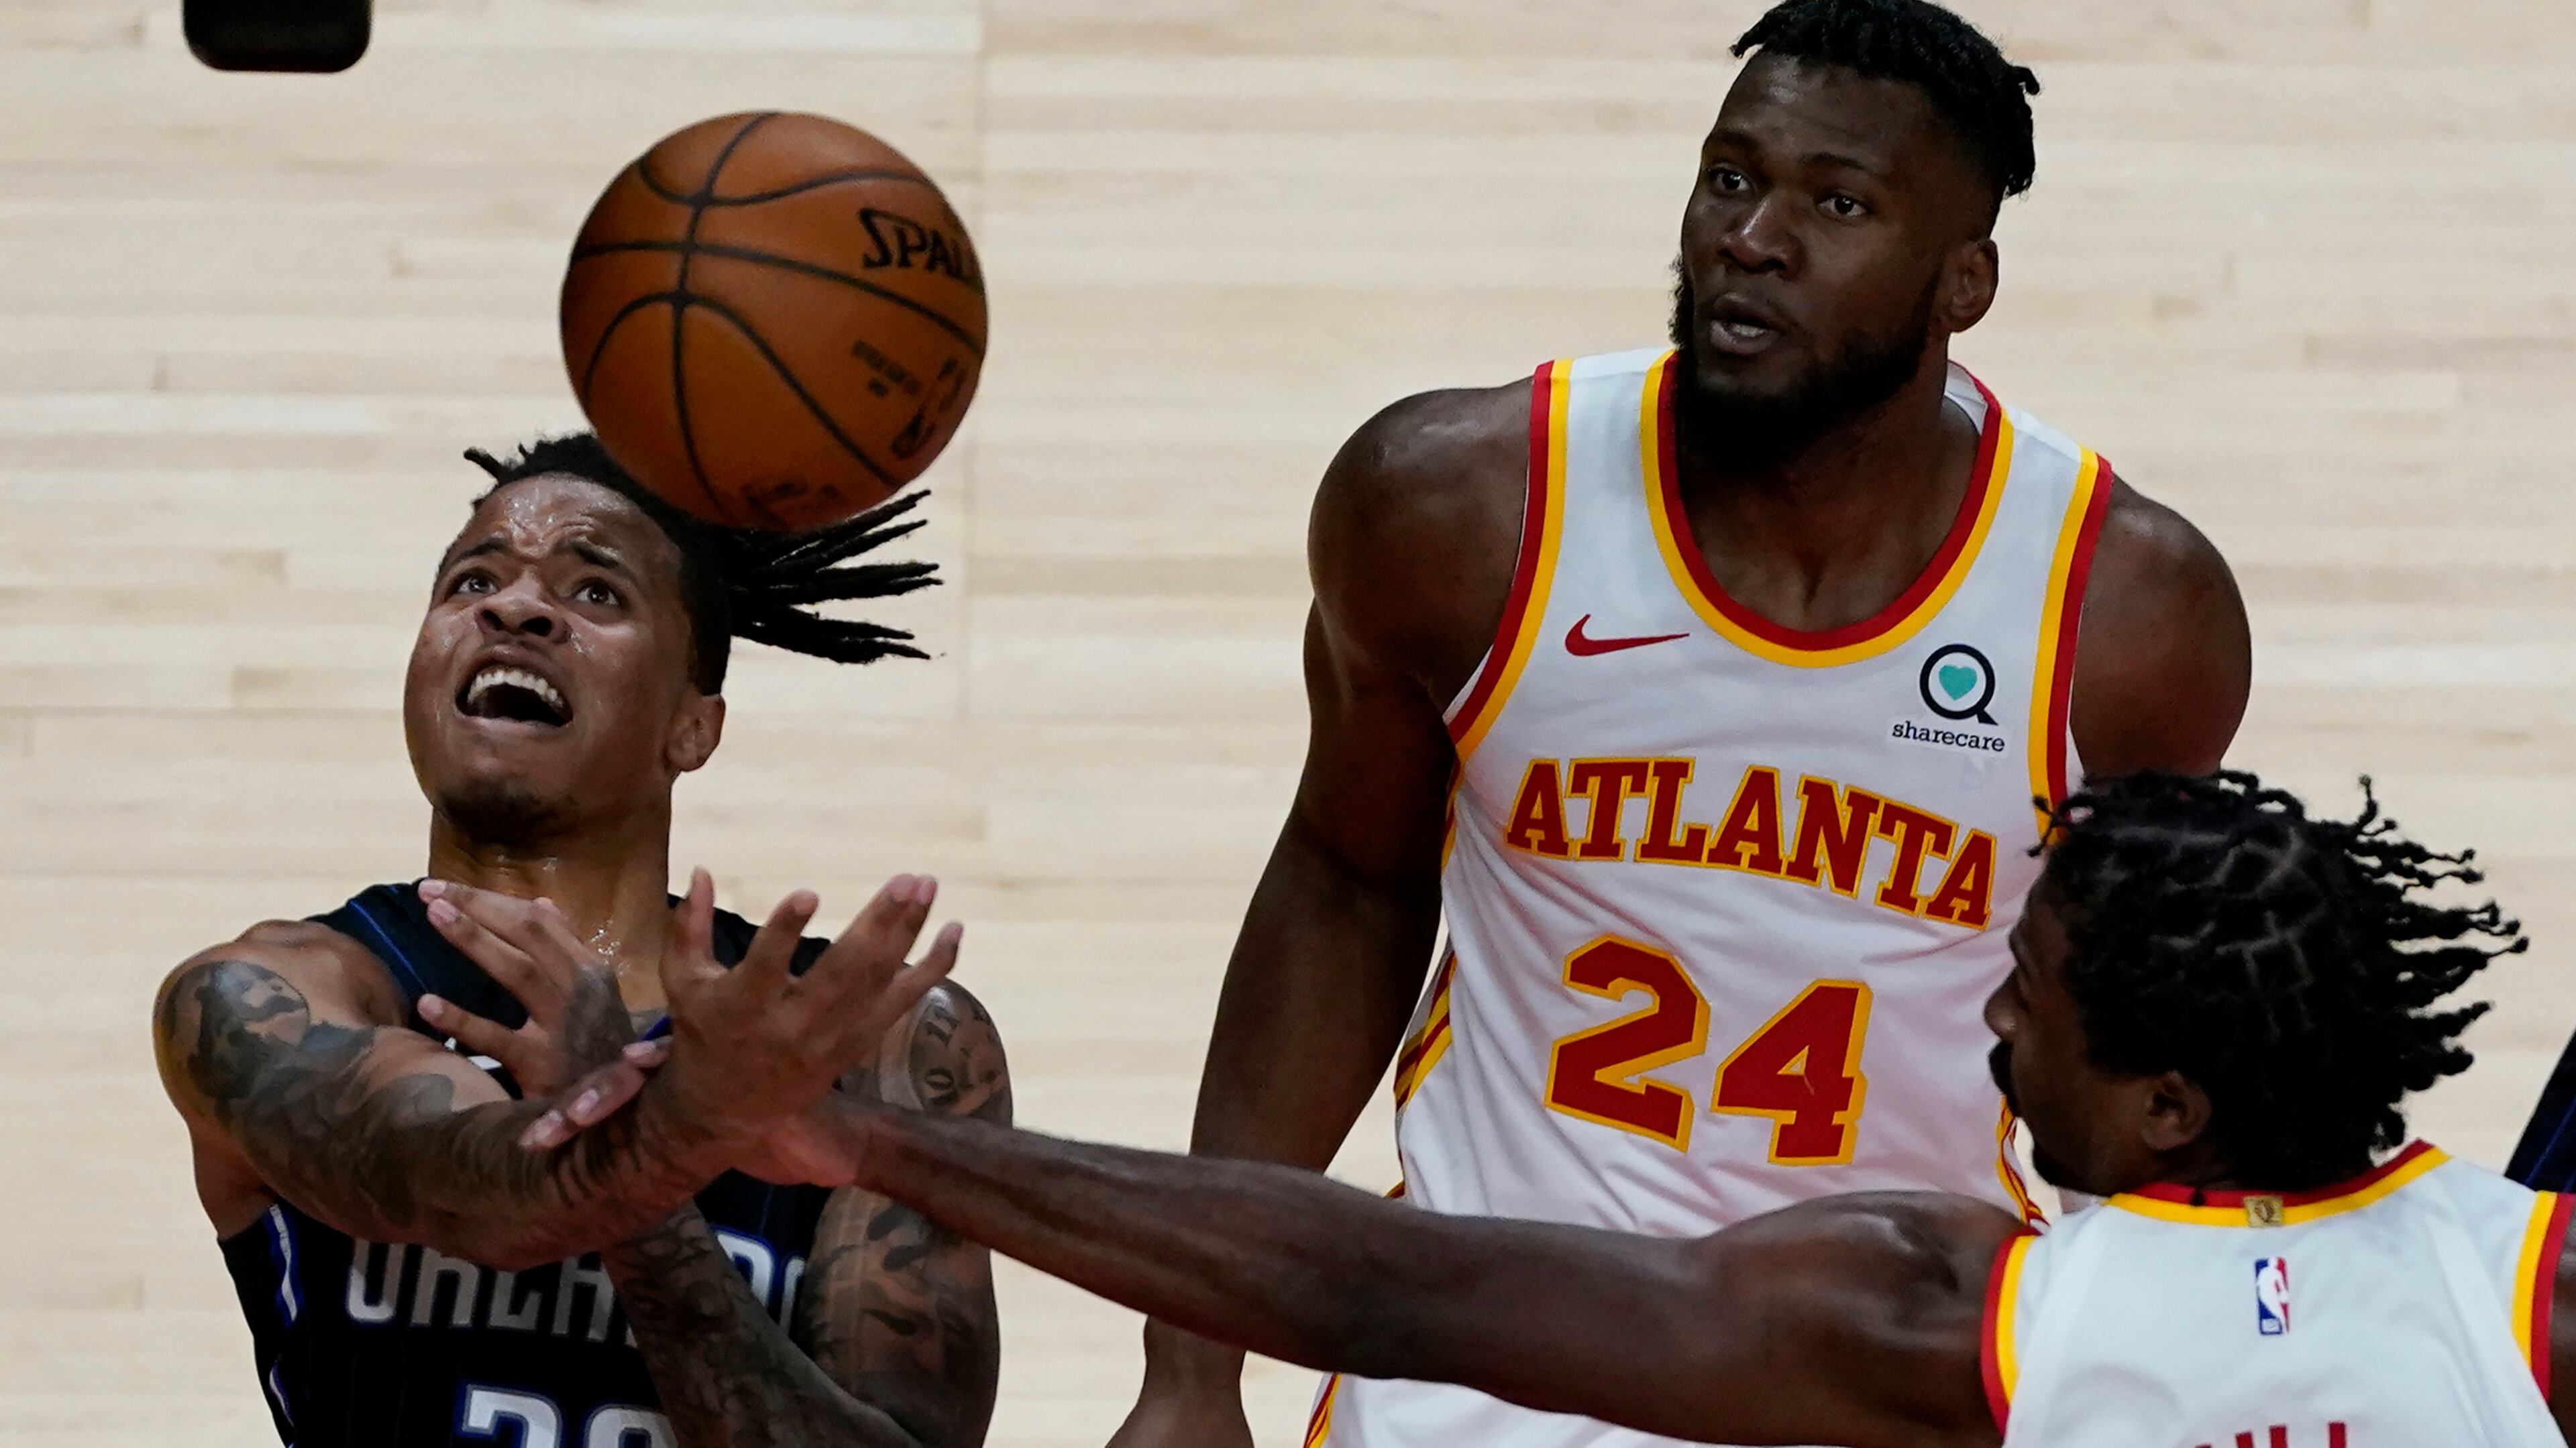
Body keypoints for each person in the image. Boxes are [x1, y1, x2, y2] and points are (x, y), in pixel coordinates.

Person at [1112, 1, 2253, 1443]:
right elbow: (1348, 884)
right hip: (1487, 1357)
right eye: (1731, 177)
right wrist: (1191, 1368)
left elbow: (2152, 1053)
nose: (1752, 237)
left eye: (1837, 203)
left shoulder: (2127, 618)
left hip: (1897, 1370)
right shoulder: (1460, 511)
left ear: (1964, 282)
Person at [735, 771, 2563, 1447]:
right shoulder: (2535, 1292)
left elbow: (1398, 1293)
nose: (1991, 1029)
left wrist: (885, 1145)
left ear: (2168, 1104)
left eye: (2032, 1001)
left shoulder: (1982, 1321)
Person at [149, 435, 1009, 1448]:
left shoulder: (878, 1040)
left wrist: (629, 1144)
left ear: (694, 728)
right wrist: (654, 1130)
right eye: (474, 579)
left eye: (595, 592)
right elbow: (468, 1192)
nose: (513, 608)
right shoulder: (266, 998)